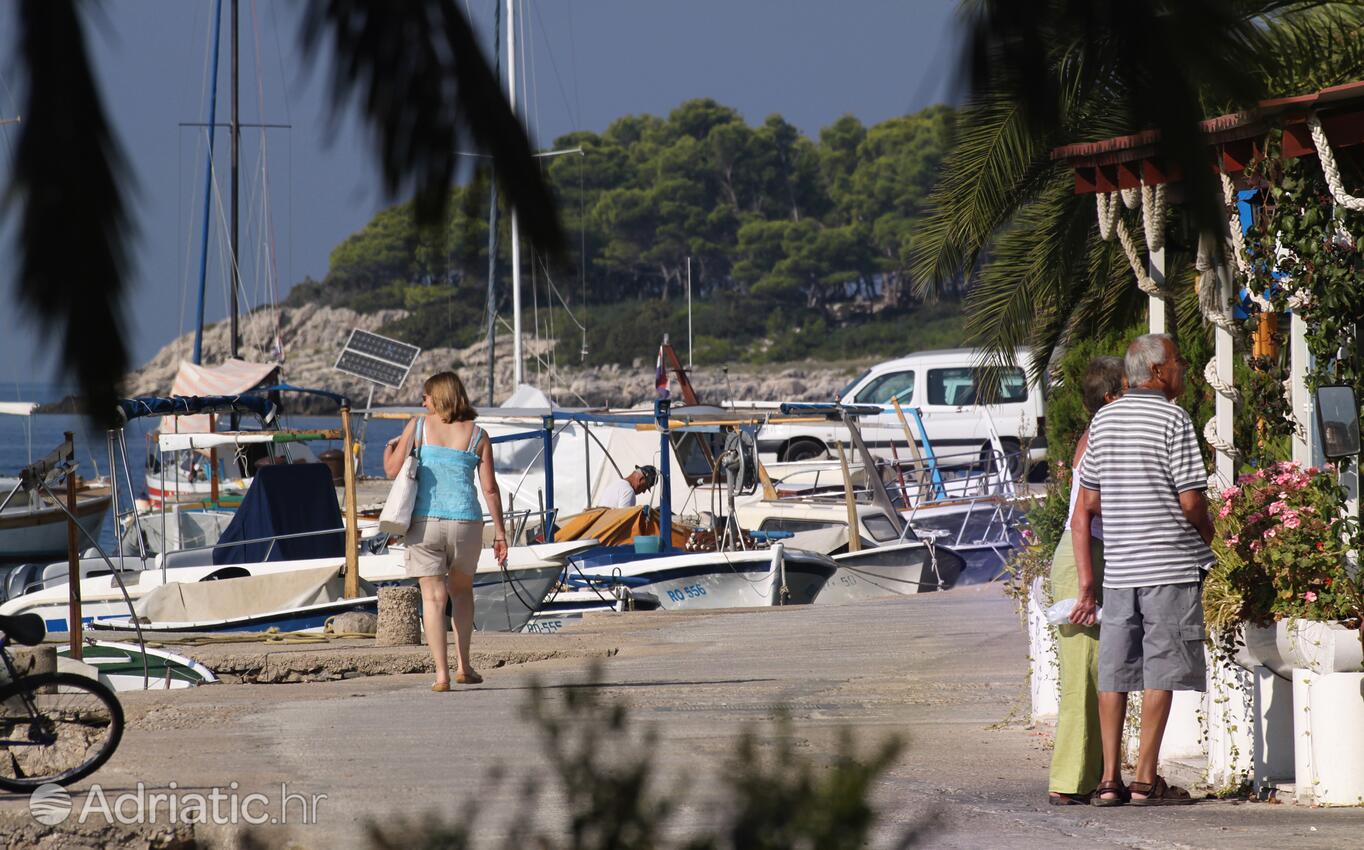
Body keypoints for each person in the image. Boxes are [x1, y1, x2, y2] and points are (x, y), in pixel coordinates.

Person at [1071, 334, 1214, 806]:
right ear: (1156, 371)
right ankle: (1145, 780)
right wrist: (1210, 536)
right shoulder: (1174, 418)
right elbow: (1191, 500)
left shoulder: (1104, 419)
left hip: (1121, 567)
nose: (1183, 368)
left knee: (1115, 671)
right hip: (1169, 563)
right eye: (1177, 361)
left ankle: (1110, 779)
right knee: (1160, 670)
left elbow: (1088, 501)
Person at [384, 371, 508, 692]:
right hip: (466, 522)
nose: (422, 402)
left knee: (433, 597)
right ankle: (464, 666)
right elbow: (490, 489)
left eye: (425, 396)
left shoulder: (419, 427)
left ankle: (441, 675)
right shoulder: (478, 435)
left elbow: (392, 470)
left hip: (425, 523)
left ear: (438, 397)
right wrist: (500, 534)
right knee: (462, 592)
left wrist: (390, 448)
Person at [1047, 356, 1124, 806]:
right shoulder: (1100, 438)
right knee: (1084, 672)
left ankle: (1090, 774)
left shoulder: (1095, 435)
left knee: (1098, 671)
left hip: (1087, 557)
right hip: (1083, 559)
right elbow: (1084, 519)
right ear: (1112, 397)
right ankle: (1070, 778)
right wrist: (1087, 586)